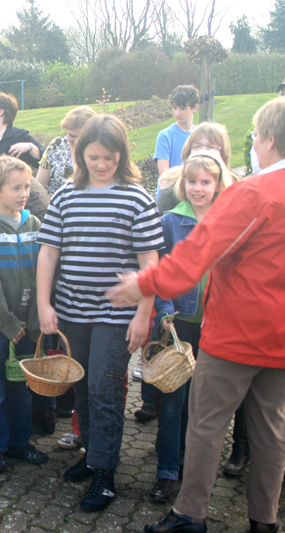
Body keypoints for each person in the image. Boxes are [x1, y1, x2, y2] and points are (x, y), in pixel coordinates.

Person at [107, 96, 285, 533]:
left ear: (265, 139)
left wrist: (143, 284)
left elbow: (199, 253)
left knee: (206, 426)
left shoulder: (255, 192)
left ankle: (190, 514)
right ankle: (264, 520)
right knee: (271, 433)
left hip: (239, 332)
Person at [36, 114, 164, 512]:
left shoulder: (137, 198)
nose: (101, 164)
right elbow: (49, 253)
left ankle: (106, 475)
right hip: (72, 312)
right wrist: (44, 305)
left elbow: (151, 263)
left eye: (109, 157)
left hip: (116, 318)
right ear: (80, 154)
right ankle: (92, 456)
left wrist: (143, 314)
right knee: (82, 388)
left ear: (122, 154)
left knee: (105, 390)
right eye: (93, 156)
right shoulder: (65, 196)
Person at [147, 152, 234, 504]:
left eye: (206, 182)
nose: (198, 188)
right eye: (192, 182)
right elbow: (160, 271)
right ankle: (168, 471)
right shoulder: (170, 221)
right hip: (177, 324)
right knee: (172, 402)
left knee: (203, 407)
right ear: (183, 185)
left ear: (218, 185)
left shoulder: (229, 220)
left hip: (217, 326)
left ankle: (194, 472)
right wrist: (164, 312)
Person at [0, 156, 49, 474]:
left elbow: (44, 274)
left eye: (27, 186)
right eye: (15, 187)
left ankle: (20, 442)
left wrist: (31, 323)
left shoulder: (35, 226)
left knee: (22, 389)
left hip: (28, 329)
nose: (23, 193)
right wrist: (6, 323)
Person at [36, 106, 96, 195]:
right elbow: (39, 186)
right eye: (72, 135)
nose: (76, 141)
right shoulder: (56, 146)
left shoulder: (100, 151)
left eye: (81, 136)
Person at [154, 85, 199, 178]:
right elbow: (164, 174)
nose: (177, 113)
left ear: (195, 107)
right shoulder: (165, 136)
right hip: (169, 190)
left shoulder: (200, 136)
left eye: (183, 108)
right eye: (175, 108)